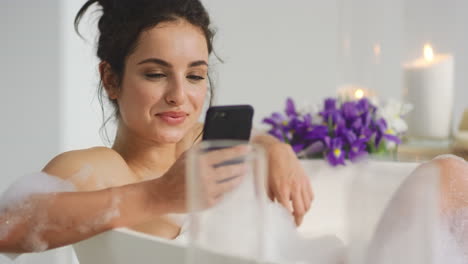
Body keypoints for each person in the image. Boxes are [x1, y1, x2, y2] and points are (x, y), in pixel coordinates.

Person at [0, 0, 313, 253]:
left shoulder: (202, 142)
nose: (179, 96)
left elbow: (254, 138)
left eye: (194, 76)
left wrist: (275, 147)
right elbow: (8, 227)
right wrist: (158, 195)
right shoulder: (97, 169)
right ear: (110, 79)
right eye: (155, 74)